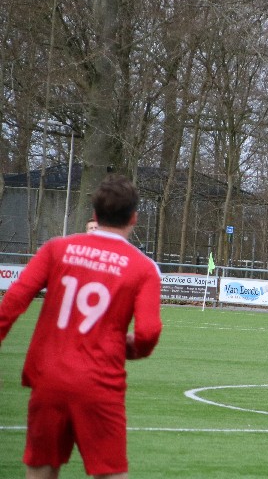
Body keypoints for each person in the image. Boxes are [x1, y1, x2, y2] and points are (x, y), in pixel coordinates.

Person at [0, 175, 163, 479]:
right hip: (101, 383)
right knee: (110, 472)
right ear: (134, 217)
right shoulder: (143, 268)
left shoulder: (56, 249)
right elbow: (148, 332)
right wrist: (132, 348)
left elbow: (14, 301)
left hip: (48, 377)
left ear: (95, 215)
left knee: (40, 470)